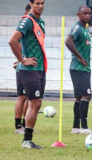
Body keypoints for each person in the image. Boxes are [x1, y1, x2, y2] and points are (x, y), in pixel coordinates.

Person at [9, 0, 46, 149]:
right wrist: (22, 60)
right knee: (34, 102)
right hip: (30, 70)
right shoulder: (27, 21)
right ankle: (26, 139)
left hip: (39, 69)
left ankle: (27, 138)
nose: (40, 6)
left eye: (43, 3)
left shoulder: (40, 22)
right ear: (31, 4)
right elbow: (12, 41)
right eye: (37, 3)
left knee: (36, 103)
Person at [65, 6, 92, 134]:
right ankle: (85, 127)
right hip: (78, 67)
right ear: (78, 14)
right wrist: (80, 57)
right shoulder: (77, 27)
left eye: (89, 14)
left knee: (79, 97)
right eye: (85, 13)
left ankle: (76, 127)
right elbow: (68, 40)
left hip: (84, 68)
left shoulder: (85, 28)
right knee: (87, 95)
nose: (87, 16)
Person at [13, 3, 31, 135]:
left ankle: (25, 125)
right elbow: (15, 43)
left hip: (29, 67)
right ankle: (18, 126)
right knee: (22, 96)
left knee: (29, 98)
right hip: (22, 67)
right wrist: (21, 60)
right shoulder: (24, 23)